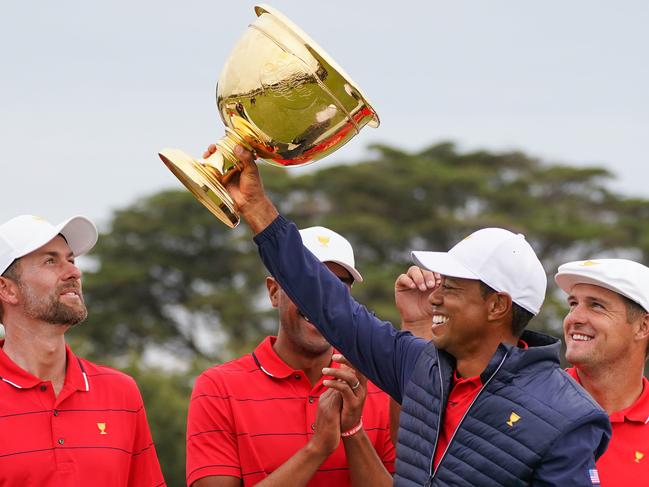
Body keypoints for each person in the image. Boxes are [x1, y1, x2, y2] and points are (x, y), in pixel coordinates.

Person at [211, 143, 612, 486]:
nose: (435, 298)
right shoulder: (421, 365)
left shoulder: (570, 416)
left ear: (497, 306)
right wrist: (258, 208)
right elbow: (331, 307)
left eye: (451, 289)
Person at [186, 225, 395, 487]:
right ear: (274, 292)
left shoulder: (377, 384)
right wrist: (316, 449)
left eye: (336, 287)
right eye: (308, 284)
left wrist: (353, 431)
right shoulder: (218, 388)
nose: (323, 302)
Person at [0, 214, 165, 487]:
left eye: (71, 260)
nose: (74, 272)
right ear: (7, 290)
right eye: (50, 261)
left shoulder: (121, 392)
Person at [556, 258, 649, 487]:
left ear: (643, 327)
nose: (574, 318)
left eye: (596, 305)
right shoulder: (528, 402)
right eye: (573, 304)